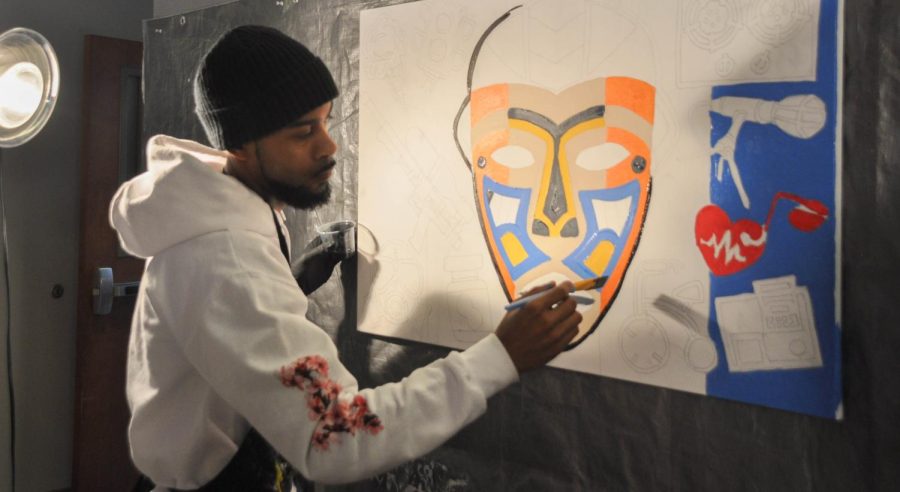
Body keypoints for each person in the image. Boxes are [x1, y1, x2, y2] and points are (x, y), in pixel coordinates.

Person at [111, 25, 581, 491]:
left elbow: (224, 326)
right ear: (239, 144)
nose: (329, 145)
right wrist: (499, 357)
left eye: (326, 121)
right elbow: (334, 436)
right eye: (303, 132)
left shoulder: (226, 211)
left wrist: (285, 284)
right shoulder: (224, 260)